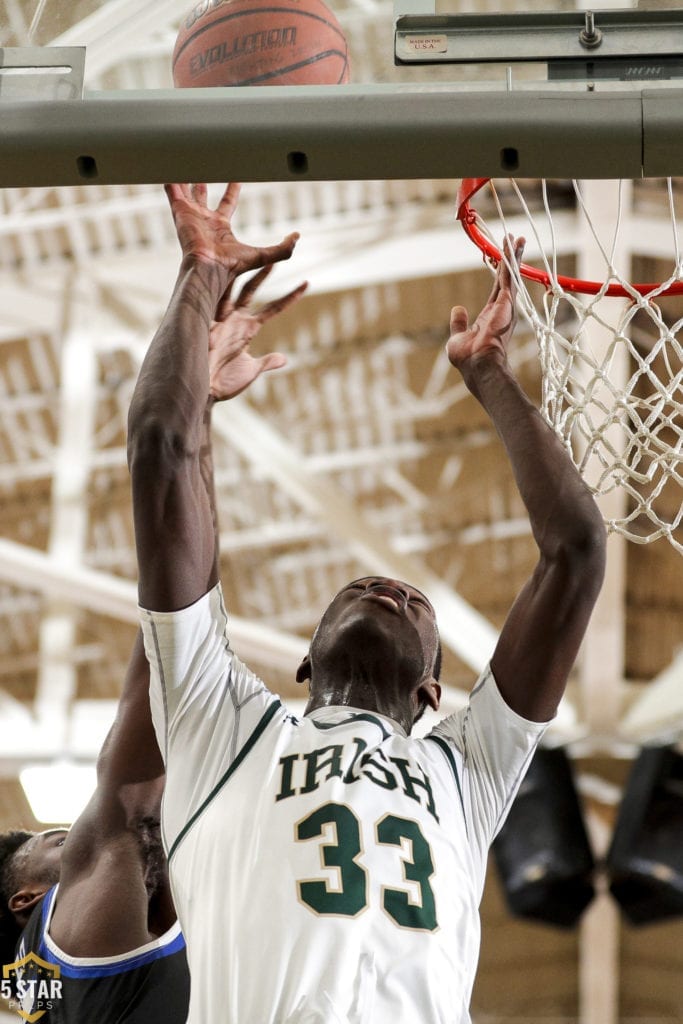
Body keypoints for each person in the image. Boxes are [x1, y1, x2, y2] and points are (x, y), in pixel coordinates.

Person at [127, 182, 607, 1024]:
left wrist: (490, 375)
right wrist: (200, 271)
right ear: (304, 663)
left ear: (432, 693)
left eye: (416, 608)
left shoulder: (468, 770)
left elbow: (576, 551)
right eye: (361, 590)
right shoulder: (224, 725)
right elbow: (162, 448)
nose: (388, 589)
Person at [0, 257, 304, 1023]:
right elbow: (169, 662)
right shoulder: (74, 950)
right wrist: (196, 409)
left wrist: (193, 418)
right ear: (28, 899)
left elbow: (169, 667)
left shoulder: (47, 977)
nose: (77, 834)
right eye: (58, 838)